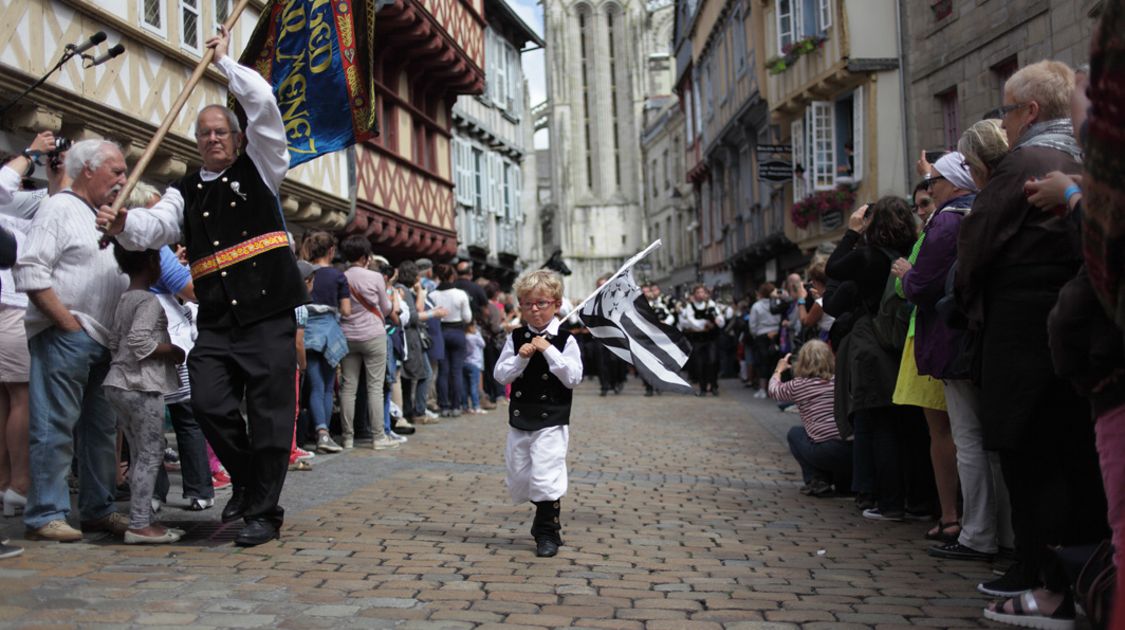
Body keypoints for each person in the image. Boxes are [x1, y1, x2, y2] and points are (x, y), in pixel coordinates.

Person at [98, 26, 308, 546]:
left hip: (268, 316)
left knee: (270, 418)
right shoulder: (184, 190)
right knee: (208, 402)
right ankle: (249, 480)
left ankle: (262, 511)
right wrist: (124, 223)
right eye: (204, 134)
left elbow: (261, 103)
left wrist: (225, 64)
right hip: (217, 321)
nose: (213, 138)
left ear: (237, 138)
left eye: (221, 131)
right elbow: (157, 228)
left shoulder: (262, 166)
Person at [955, 60, 1108, 624]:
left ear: (1031, 111)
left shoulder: (1029, 159)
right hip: (1069, 319)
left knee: (1032, 453)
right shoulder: (1082, 158)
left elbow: (978, 240)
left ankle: (1046, 576)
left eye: (1008, 111)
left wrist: (964, 295)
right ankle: (1066, 573)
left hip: (1025, 328)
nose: (1005, 123)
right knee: (1072, 454)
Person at [14, 139, 130, 542]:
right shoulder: (58, 208)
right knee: (54, 426)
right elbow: (30, 272)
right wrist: (67, 324)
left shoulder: (102, 216)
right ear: (88, 170)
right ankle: (46, 512)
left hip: (103, 338)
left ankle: (99, 509)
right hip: (68, 335)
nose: (123, 179)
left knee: (101, 430)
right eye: (116, 171)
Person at [893, 152, 989, 558]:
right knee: (974, 439)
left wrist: (905, 275)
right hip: (972, 335)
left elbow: (920, 284)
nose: (930, 189)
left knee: (964, 438)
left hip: (950, 339)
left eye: (934, 183)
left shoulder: (949, 220)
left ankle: (973, 531)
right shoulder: (976, 210)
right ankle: (987, 530)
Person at [827, 196, 930, 522]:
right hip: (908, 343)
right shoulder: (915, 252)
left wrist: (852, 231)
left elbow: (833, 268)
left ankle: (890, 503)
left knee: (882, 424)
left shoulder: (866, 257)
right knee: (913, 425)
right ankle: (921, 501)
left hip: (874, 346)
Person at [493, 269, 583, 558]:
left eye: (542, 303)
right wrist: (521, 358)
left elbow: (573, 378)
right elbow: (500, 375)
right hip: (521, 415)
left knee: (546, 476)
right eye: (528, 303)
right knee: (519, 478)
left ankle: (547, 531)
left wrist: (550, 352)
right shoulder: (516, 337)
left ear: (556, 304)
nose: (534, 309)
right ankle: (543, 521)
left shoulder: (566, 340)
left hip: (552, 417)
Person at [103, 245, 186, 544]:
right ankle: (139, 524)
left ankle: (143, 518)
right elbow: (139, 342)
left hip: (117, 382)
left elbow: (114, 340)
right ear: (152, 262)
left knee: (141, 454)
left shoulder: (124, 298)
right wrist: (173, 351)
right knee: (150, 455)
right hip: (141, 384)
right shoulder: (149, 301)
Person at [770, 341, 851, 497]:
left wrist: (778, 370)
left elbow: (774, 391)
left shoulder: (799, 385)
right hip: (851, 446)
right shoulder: (839, 381)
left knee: (795, 434)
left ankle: (816, 479)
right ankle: (843, 483)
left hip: (825, 450)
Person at [337, 235, 391, 450]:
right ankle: (378, 437)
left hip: (348, 334)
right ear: (365, 256)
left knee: (348, 387)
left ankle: (347, 438)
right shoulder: (375, 277)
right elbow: (385, 307)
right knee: (375, 387)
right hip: (373, 334)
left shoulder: (341, 277)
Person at [430, 264, 471, 417]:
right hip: (457, 331)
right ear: (452, 276)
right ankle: (456, 405)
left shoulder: (433, 295)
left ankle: (444, 405)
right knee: (457, 371)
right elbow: (468, 317)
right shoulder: (460, 294)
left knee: (443, 371)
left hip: (440, 331)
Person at [681, 284, 726, 396]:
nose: (701, 295)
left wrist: (715, 322)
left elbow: (720, 321)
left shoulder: (711, 305)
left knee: (712, 362)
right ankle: (703, 388)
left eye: (702, 292)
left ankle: (714, 386)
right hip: (697, 339)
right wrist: (703, 324)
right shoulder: (690, 307)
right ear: (694, 295)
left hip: (710, 339)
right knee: (699, 364)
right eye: (698, 292)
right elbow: (690, 322)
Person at [746, 283, 780, 397]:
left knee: (762, 363)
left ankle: (763, 389)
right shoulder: (778, 303)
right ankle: (776, 389)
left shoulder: (756, 306)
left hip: (762, 336)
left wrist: (756, 334)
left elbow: (752, 325)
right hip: (777, 335)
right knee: (776, 363)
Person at [464, 320, 486, 414]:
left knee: (465, 386)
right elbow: (483, 344)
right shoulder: (474, 337)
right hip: (474, 363)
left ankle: (465, 406)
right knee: (474, 385)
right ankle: (476, 406)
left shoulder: (464, 337)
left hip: (465, 362)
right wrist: (478, 333)